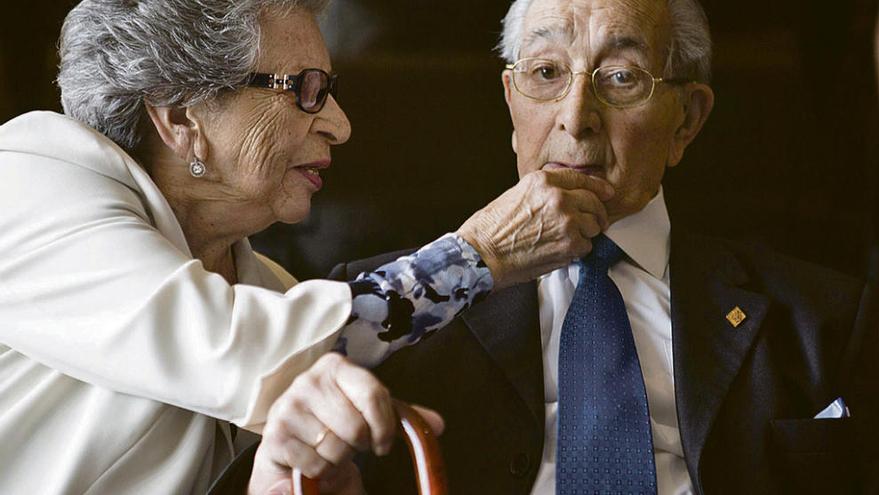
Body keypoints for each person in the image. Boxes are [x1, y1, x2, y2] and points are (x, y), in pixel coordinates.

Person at [265, 0, 879, 493]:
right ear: (511, 103)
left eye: (620, 77)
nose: (576, 117)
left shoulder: (824, 319)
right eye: (546, 73)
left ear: (686, 120)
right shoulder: (383, 316)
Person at [0, 0, 615, 493]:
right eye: (304, 88)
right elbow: (237, 350)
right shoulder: (28, 173)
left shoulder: (278, 295)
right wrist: (479, 252)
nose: (340, 124)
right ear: (181, 114)